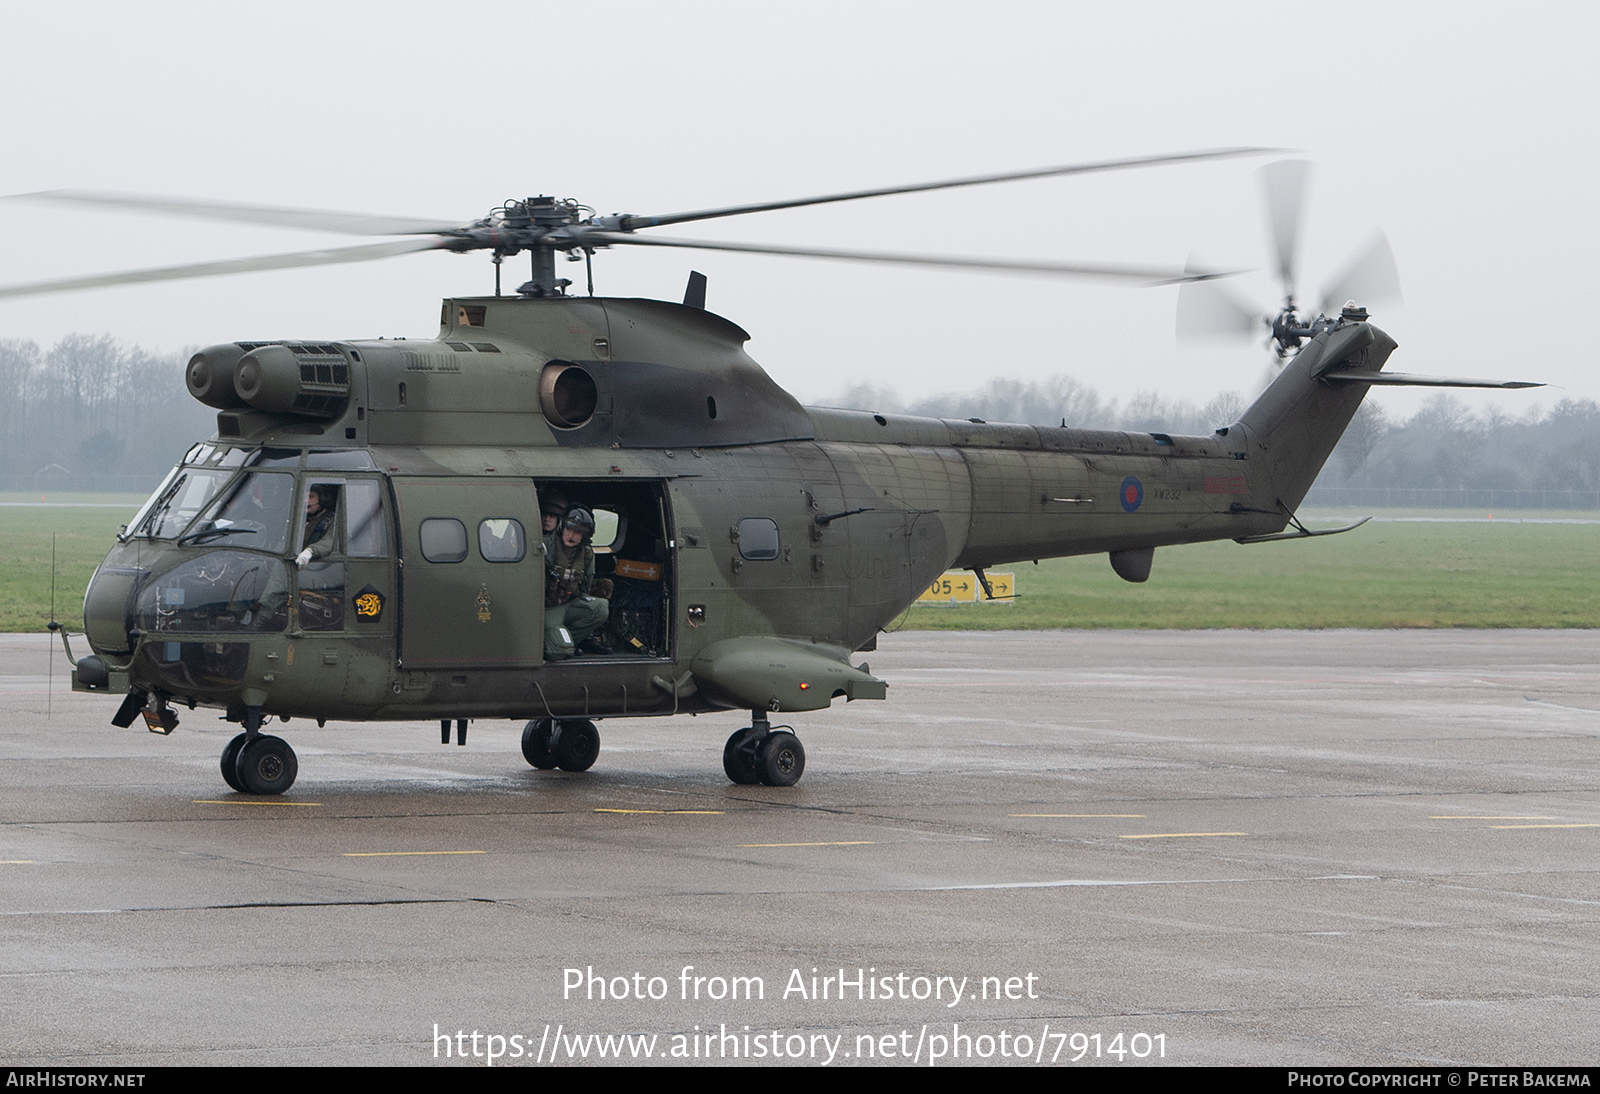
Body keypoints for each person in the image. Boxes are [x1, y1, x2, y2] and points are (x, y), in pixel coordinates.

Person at [544, 506, 610, 659]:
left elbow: (585, 585)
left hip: (568, 602)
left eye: (578, 532)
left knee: (600, 608)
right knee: (559, 650)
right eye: (569, 529)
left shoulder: (586, 554)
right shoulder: (547, 546)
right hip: (548, 608)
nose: (571, 535)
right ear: (562, 527)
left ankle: (572, 640)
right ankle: (556, 641)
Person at [295, 485, 337, 568]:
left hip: (319, 568)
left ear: (322, 500)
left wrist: (310, 551)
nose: (306, 501)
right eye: (304, 497)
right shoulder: (302, 519)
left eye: (310, 497)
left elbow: (328, 542)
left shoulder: (332, 522)